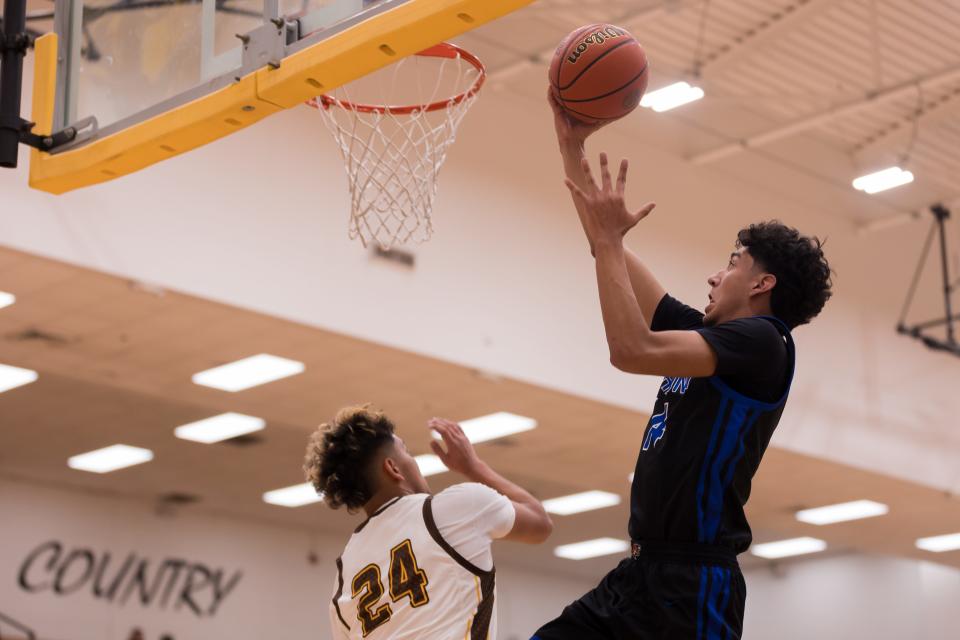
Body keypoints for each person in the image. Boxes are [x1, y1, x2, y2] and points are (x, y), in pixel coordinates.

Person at [534, 90, 833, 639]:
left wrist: (607, 242)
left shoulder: (766, 343)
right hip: (640, 576)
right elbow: (611, 251)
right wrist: (570, 145)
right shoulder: (710, 336)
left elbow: (631, 350)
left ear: (763, 284)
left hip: (695, 585)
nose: (715, 277)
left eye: (732, 264)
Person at [304, 407, 553, 640]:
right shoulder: (451, 510)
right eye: (407, 453)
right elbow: (540, 524)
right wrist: (473, 466)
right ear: (392, 468)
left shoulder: (344, 571)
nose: (415, 463)